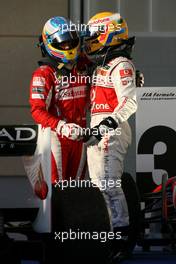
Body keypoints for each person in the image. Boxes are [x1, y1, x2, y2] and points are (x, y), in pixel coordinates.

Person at [83, 11, 139, 260]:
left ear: (110, 34)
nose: (91, 41)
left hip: (111, 131)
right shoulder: (102, 64)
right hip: (99, 131)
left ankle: (121, 238)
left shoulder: (121, 65)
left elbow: (130, 102)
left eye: (95, 36)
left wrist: (107, 124)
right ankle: (108, 234)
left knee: (109, 184)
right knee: (99, 186)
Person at [29, 16, 89, 184]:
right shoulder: (44, 73)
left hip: (80, 135)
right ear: (50, 43)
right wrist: (61, 126)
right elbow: (37, 111)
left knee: (77, 188)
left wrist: (130, 79)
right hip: (55, 136)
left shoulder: (85, 66)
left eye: (70, 42)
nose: (68, 47)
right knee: (56, 188)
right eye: (62, 43)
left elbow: (107, 76)